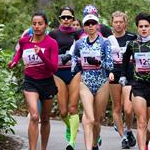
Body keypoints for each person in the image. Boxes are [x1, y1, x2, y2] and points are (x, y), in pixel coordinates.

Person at [8, 12, 58, 150]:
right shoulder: (24, 41)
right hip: (30, 82)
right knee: (35, 116)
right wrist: (14, 61)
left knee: (45, 119)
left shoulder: (51, 43)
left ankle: (43, 148)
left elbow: (53, 68)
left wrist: (40, 54)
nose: (37, 27)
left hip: (47, 82)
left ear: (45, 25)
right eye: (34, 23)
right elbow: (19, 52)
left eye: (40, 24)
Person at [72, 11, 114, 150]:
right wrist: (75, 63)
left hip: (102, 82)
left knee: (97, 121)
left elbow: (110, 65)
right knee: (89, 119)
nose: (90, 26)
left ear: (98, 26)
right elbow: (74, 62)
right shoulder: (79, 43)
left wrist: (98, 62)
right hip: (86, 82)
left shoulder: (105, 43)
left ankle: (95, 144)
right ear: (84, 26)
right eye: (87, 24)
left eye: (93, 23)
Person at [49, 7, 81, 150]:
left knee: (73, 108)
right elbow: (46, 49)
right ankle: (71, 126)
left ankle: (72, 142)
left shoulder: (78, 33)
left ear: (73, 19)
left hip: (74, 72)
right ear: (60, 19)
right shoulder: (53, 33)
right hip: (58, 73)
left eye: (69, 17)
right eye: (63, 17)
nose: (66, 20)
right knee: (63, 112)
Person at [120, 12, 150, 150]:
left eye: (146, 26)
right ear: (137, 28)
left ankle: (145, 144)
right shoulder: (132, 44)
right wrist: (123, 75)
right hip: (138, 86)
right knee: (142, 123)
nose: (143, 29)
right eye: (141, 26)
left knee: (149, 126)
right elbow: (125, 61)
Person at [108, 11, 137, 149]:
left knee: (129, 108)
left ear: (125, 22)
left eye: (121, 22)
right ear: (112, 23)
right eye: (116, 22)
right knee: (117, 107)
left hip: (129, 74)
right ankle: (123, 137)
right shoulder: (108, 40)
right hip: (114, 74)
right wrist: (109, 72)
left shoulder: (132, 37)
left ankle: (129, 130)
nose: (118, 24)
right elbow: (104, 59)